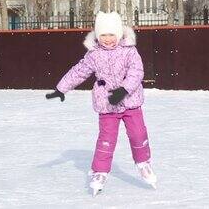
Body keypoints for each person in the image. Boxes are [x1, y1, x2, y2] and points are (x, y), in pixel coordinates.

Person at [45, 11, 157, 196]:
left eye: (111, 34)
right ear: (97, 35)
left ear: (119, 34)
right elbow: (79, 71)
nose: (107, 39)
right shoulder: (94, 54)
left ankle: (143, 163)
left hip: (131, 102)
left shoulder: (129, 50)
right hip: (107, 105)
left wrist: (123, 90)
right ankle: (100, 172)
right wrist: (61, 88)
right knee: (106, 140)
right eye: (103, 35)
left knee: (138, 134)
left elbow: (136, 72)